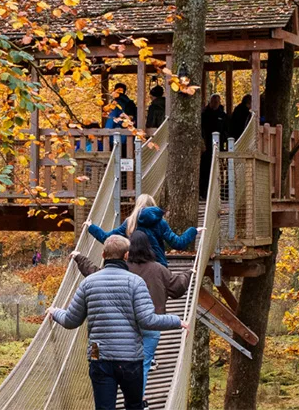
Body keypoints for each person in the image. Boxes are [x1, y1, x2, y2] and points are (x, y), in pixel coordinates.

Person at [47, 236, 186, 410]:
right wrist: (176, 321)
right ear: (126, 255)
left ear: (103, 254)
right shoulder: (135, 282)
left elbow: (70, 320)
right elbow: (147, 320)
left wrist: (55, 311)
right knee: (134, 405)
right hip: (130, 358)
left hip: (99, 356)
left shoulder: (88, 283)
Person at [87, 194, 199, 266]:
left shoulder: (130, 222)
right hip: (158, 265)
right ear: (153, 206)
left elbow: (108, 238)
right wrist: (193, 230)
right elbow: (178, 243)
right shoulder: (160, 223)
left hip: (134, 266)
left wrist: (91, 227)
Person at [200, 94, 228, 198]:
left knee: (218, 170)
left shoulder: (222, 115)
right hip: (206, 148)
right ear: (210, 101)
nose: (215, 103)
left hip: (218, 146)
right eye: (213, 101)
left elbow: (226, 129)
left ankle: (216, 193)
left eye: (217, 101)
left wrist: (224, 140)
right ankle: (204, 192)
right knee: (205, 170)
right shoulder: (204, 114)